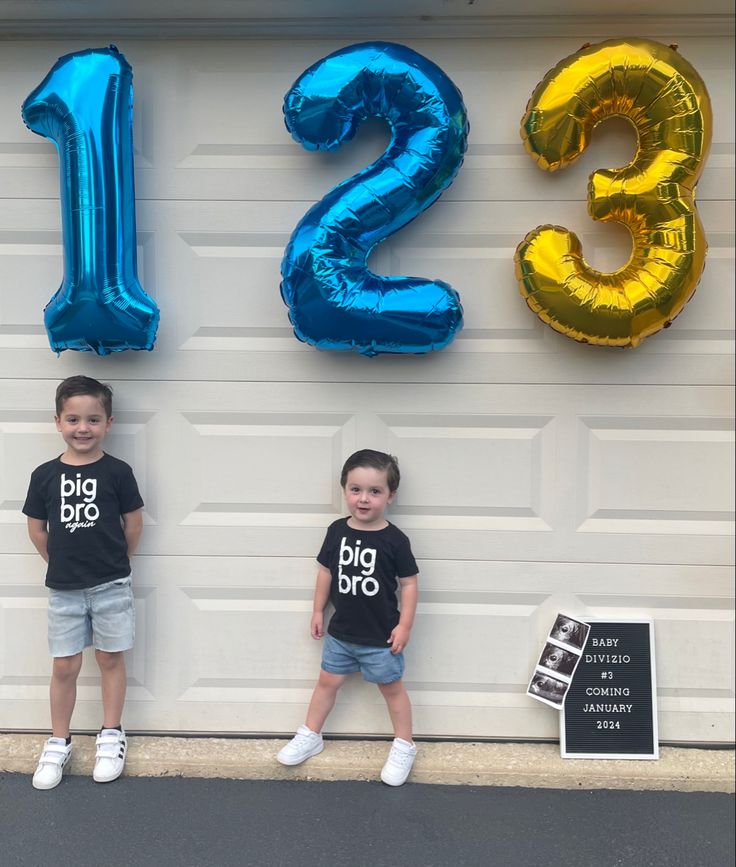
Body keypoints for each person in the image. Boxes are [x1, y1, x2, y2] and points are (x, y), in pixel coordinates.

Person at [22, 375, 143, 790]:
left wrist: (115, 562)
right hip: (64, 589)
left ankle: (111, 733)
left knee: (110, 658)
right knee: (65, 665)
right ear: (57, 421)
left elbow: (133, 523)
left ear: (109, 423)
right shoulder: (44, 475)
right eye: (73, 418)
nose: (83, 427)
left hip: (111, 585)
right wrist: (58, 561)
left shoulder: (118, 472)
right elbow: (37, 528)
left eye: (93, 419)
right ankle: (59, 740)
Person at [277, 449, 419, 786]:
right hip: (341, 634)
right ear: (344, 490)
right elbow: (325, 572)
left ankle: (404, 745)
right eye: (356, 489)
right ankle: (311, 734)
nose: (364, 499)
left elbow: (410, 584)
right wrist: (317, 610)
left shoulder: (395, 540)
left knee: (392, 690)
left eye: (375, 491)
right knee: (327, 683)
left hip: (381, 638)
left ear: (390, 496)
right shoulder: (337, 531)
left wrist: (405, 625)